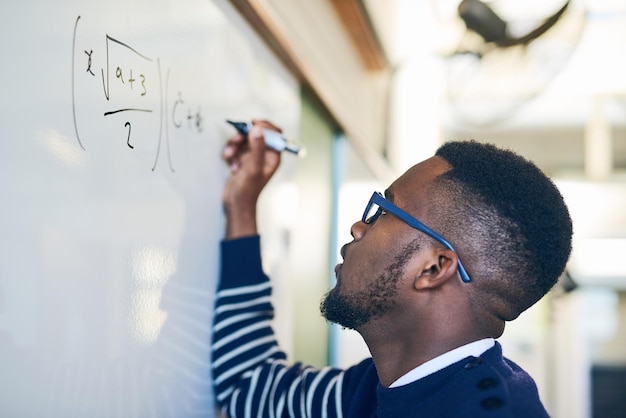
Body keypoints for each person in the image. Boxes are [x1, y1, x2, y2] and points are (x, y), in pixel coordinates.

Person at [212, 120, 572, 417]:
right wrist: (243, 204)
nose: (358, 227)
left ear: (434, 267)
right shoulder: (384, 388)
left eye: (385, 210)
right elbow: (249, 384)